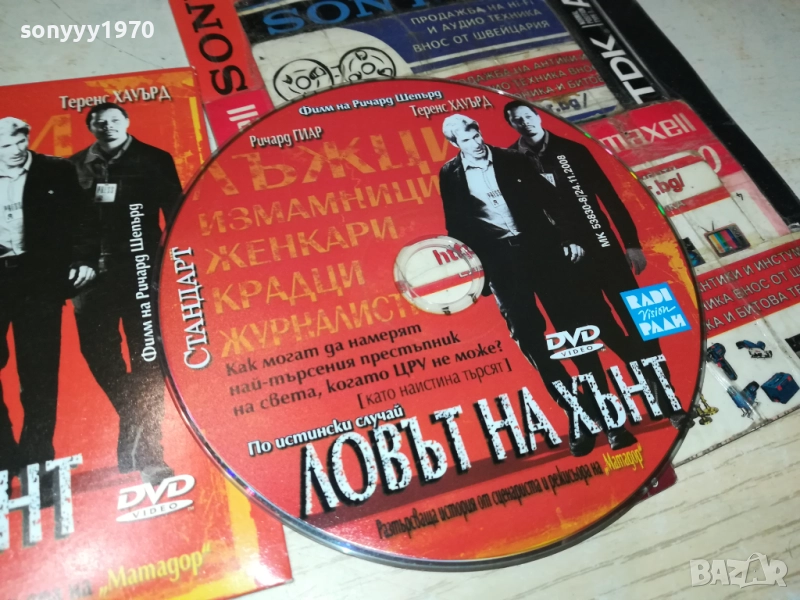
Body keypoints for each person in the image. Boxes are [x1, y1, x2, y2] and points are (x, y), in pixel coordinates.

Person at [438, 114, 639, 456]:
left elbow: (555, 200)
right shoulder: (449, 174)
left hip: (544, 254)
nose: (476, 142)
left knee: (574, 334)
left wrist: (569, 238)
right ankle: (580, 414)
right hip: (502, 268)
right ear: (455, 144)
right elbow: (456, 226)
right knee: (532, 343)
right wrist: (475, 275)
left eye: (476, 134)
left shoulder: (512, 159)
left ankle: (612, 423)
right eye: (467, 139)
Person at [504, 101, 691, 428]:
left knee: (641, 318)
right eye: (517, 120)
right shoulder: (508, 161)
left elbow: (608, 196)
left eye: (528, 116)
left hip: (605, 246)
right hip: (566, 259)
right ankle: (650, 383)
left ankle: (667, 396)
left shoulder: (572, 149)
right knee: (600, 324)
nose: (525, 123)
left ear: (537, 117)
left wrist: (631, 243)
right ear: (512, 125)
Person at [70, 102, 182, 484]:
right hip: (90, 278)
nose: (108, 126)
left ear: (127, 122)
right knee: (97, 353)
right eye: (100, 122)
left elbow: (176, 212)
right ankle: (134, 419)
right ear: (91, 127)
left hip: (142, 271)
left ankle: (152, 455)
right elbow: (61, 224)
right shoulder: (72, 166)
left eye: (115, 120)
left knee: (147, 359)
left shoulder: (154, 159)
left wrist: (170, 265)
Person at [0, 117, 97, 503]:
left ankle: (38, 466)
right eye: (5, 145)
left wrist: (84, 258)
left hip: (38, 281)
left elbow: (84, 218)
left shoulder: (56, 170)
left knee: (39, 378)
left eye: (20, 140)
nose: (15, 150)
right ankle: (5, 457)